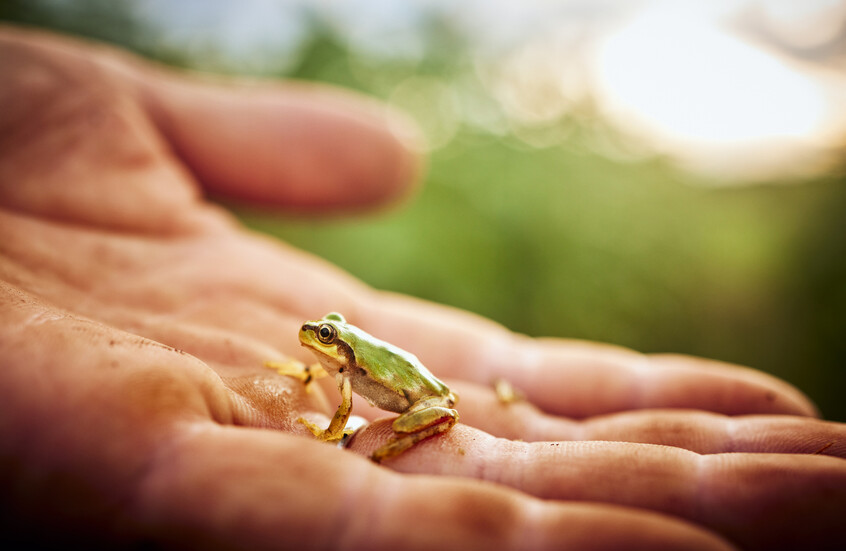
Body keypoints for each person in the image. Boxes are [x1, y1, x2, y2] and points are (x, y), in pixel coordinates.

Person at [0, 25, 843, 551]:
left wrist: (374, 429)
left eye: (328, 338)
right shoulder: (339, 365)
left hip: (426, 398)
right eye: (326, 336)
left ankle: (402, 446)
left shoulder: (357, 369)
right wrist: (331, 410)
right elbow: (340, 396)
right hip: (396, 385)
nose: (321, 343)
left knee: (398, 415)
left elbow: (370, 395)